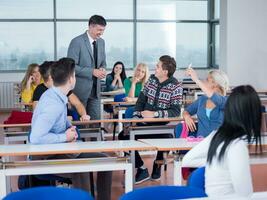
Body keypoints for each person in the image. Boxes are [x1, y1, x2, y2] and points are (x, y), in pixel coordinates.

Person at [30, 58, 112, 200]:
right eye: (74, 75)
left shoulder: (57, 96)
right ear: (70, 79)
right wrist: (65, 137)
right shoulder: (53, 103)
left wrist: (69, 128)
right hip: (48, 155)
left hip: (61, 150)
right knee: (82, 169)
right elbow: (36, 138)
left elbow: (57, 124)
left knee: (107, 162)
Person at [182, 85, 262, 198]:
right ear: (253, 114)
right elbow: (245, 194)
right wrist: (219, 162)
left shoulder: (217, 134)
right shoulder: (237, 145)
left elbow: (187, 160)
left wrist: (217, 163)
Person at [119, 55, 183, 184]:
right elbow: (140, 101)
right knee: (123, 136)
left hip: (163, 127)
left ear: (165, 71)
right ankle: (142, 168)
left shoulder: (176, 86)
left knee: (168, 140)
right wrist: (137, 117)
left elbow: (175, 111)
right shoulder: (151, 81)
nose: (155, 67)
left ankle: (158, 165)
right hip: (144, 125)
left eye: (158, 66)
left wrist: (155, 114)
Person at [67, 15, 107, 120]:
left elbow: (103, 62)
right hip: (80, 92)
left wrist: (102, 68)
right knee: (79, 125)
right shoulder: (77, 42)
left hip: (96, 91)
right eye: (99, 30)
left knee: (96, 123)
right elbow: (71, 66)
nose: (101, 33)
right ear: (90, 27)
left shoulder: (101, 42)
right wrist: (92, 72)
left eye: (103, 30)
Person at [182, 67, 229, 137]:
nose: (204, 81)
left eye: (207, 80)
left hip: (219, 142)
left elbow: (215, 98)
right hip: (201, 142)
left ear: (215, 84)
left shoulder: (226, 101)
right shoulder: (202, 99)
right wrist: (186, 116)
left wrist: (196, 80)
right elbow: (186, 111)